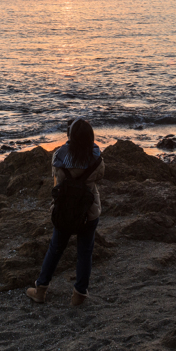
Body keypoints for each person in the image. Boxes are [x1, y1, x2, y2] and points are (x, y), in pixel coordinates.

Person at [26, 117, 105, 306]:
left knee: (55, 249)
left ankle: (41, 290)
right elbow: (100, 176)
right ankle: (79, 295)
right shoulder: (97, 159)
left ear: (70, 136)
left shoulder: (58, 157)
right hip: (88, 212)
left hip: (63, 211)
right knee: (85, 252)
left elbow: (57, 179)